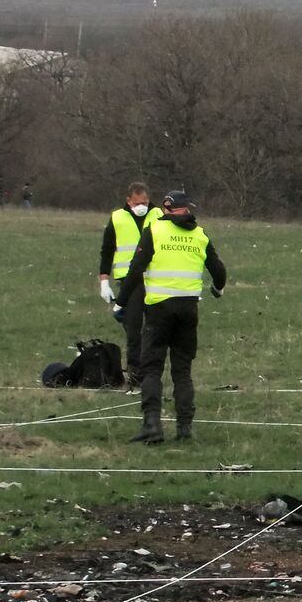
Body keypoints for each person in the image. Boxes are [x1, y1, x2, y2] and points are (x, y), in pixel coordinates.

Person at [116, 191, 226, 444]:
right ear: (186, 209)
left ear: (166, 209)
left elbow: (135, 269)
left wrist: (120, 303)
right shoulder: (199, 235)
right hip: (188, 311)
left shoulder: (154, 231)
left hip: (158, 311)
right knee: (182, 371)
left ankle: (152, 425)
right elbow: (219, 270)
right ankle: (185, 429)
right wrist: (217, 289)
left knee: (152, 368)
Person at [99, 183, 163, 391]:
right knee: (133, 330)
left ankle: (152, 375)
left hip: (155, 279)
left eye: (144, 202)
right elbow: (107, 250)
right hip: (129, 281)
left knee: (154, 330)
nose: (142, 206)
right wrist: (104, 280)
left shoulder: (159, 214)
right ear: (128, 201)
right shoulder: (118, 218)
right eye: (137, 203)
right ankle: (135, 377)